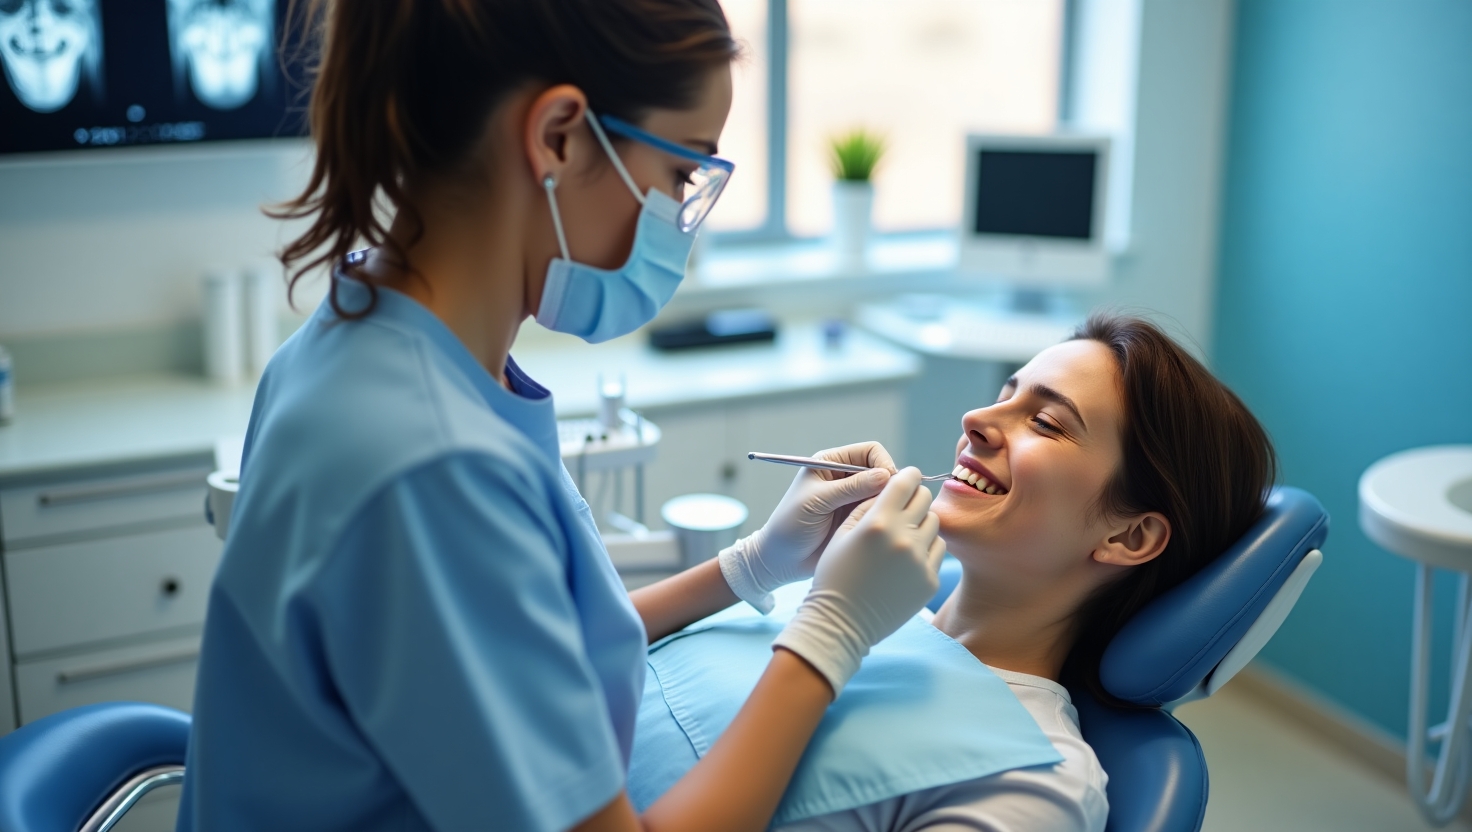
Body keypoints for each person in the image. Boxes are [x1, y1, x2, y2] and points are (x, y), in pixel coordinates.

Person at [178, 2, 944, 831]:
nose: (681, 219)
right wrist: (832, 633)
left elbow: (529, 648)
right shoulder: (431, 465)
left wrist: (753, 567)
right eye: (682, 175)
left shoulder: (370, 334)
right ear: (559, 137)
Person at [629, 313, 1278, 831]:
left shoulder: (1035, 786)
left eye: (1045, 422)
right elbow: (565, 659)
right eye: (1007, 393)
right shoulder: (840, 593)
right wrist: (750, 567)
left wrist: (832, 630)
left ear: (1129, 535)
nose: (975, 421)